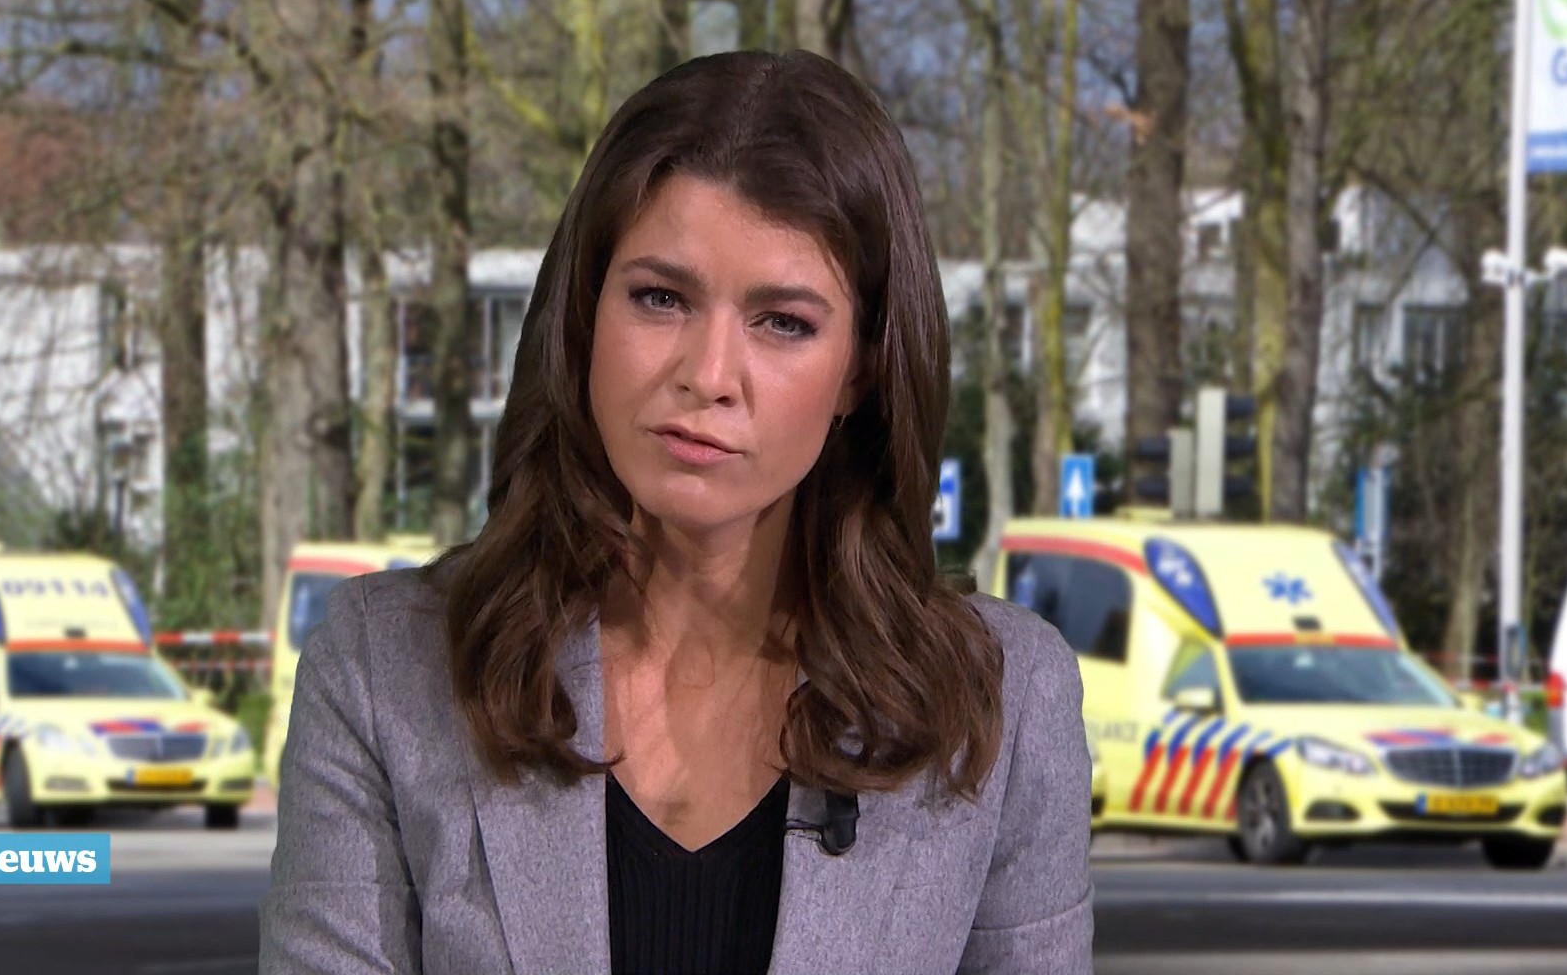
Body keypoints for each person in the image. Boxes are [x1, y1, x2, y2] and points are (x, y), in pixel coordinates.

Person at [260, 49, 1092, 975]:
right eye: (660, 298)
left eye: (784, 322)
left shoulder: (1005, 702)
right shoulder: (382, 670)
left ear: (861, 367)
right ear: (586, 315)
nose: (708, 375)